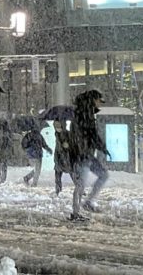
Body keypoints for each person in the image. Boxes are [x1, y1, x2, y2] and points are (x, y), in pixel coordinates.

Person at [69, 89, 110, 221]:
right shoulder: (84, 115)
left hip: (87, 154)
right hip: (81, 154)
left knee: (103, 175)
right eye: (99, 101)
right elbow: (90, 134)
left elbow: (90, 135)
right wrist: (101, 146)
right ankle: (75, 212)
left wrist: (100, 146)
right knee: (80, 184)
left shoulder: (86, 114)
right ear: (93, 100)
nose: (100, 104)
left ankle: (88, 202)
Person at [53, 120, 72, 195]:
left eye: (59, 127)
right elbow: (58, 146)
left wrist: (68, 145)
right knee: (57, 174)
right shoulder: (57, 134)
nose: (58, 128)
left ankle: (80, 188)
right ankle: (58, 189)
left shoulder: (67, 133)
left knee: (73, 174)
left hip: (66, 157)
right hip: (59, 156)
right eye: (56, 127)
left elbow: (73, 143)